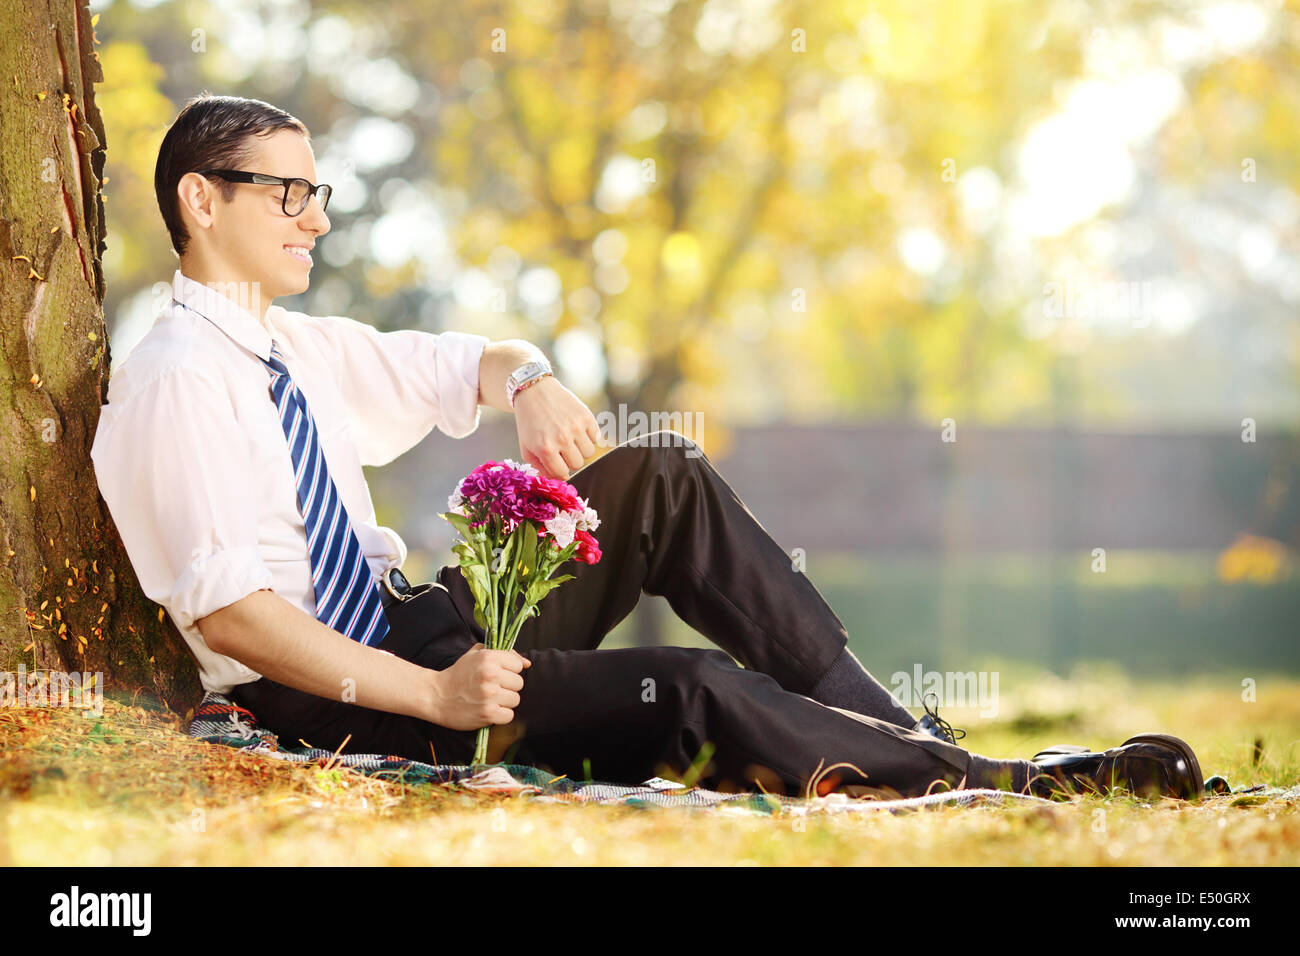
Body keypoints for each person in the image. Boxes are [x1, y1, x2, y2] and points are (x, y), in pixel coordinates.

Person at [90, 93, 1205, 802]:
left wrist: (523, 380)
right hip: (343, 693)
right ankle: (1004, 784)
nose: (315, 215)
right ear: (199, 198)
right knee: (679, 687)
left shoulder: (300, 346)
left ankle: (898, 730)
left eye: (316, 190)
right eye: (285, 190)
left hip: (429, 627)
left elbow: (468, 359)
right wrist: (431, 703)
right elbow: (234, 614)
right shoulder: (174, 381)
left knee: (659, 474)